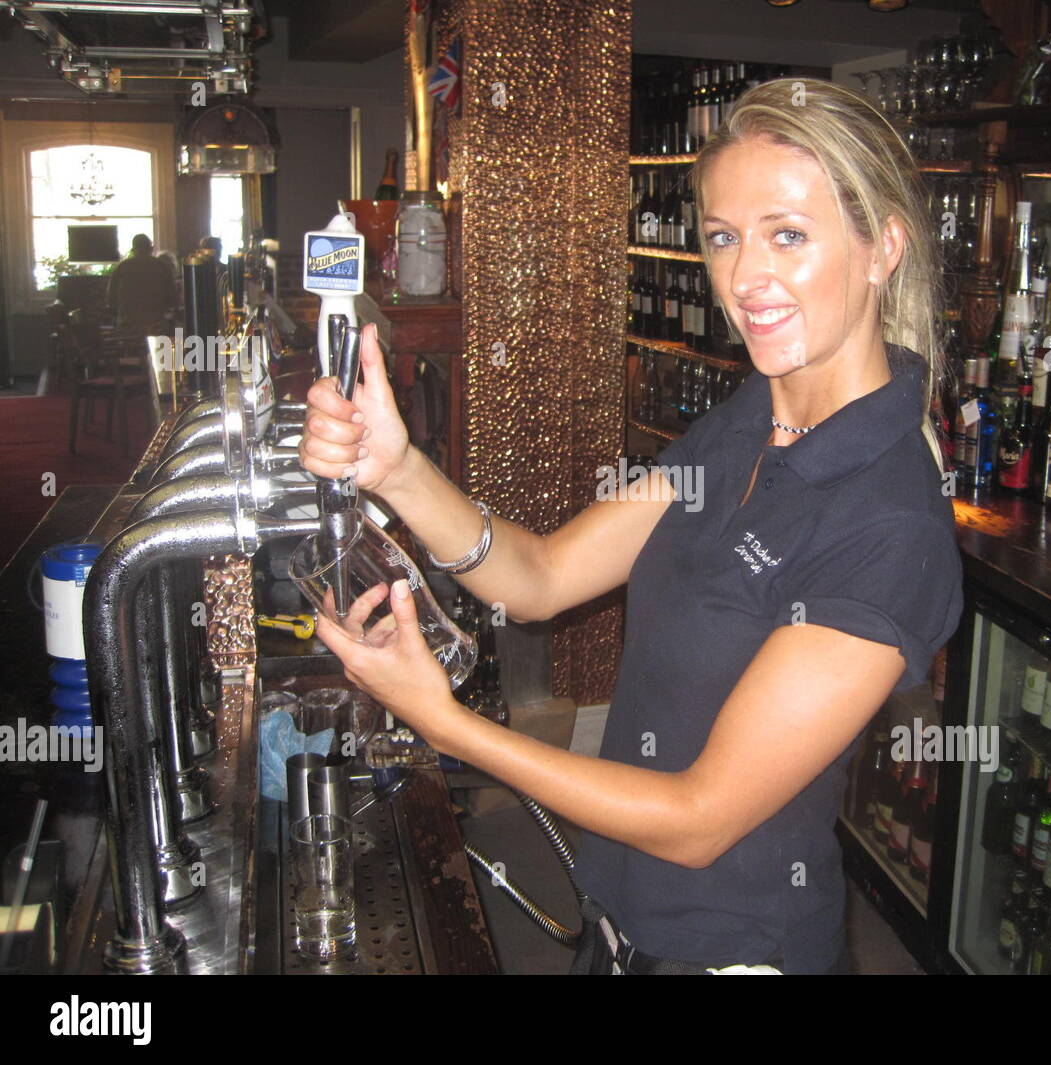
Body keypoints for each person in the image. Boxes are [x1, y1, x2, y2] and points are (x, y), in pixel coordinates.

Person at [298, 78, 963, 975]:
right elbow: (540, 576)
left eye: (789, 235)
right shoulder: (745, 419)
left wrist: (448, 725)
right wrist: (399, 468)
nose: (745, 278)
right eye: (725, 237)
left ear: (883, 246)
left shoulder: (891, 521)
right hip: (620, 921)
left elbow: (698, 818)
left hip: (733, 953)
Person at [106, 233, 175, 334]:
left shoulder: (122, 268)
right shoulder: (163, 267)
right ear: (151, 248)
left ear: (133, 250)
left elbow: (111, 300)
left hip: (127, 328)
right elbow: (171, 300)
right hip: (157, 327)